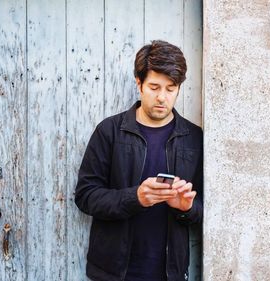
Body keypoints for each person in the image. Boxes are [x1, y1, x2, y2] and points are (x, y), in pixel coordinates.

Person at [75, 40, 203, 281]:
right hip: (113, 273)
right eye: (154, 87)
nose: (162, 97)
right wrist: (136, 198)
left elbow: (205, 210)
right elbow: (85, 196)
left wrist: (186, 208)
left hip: (170, 274)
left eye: (170, 88)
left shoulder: (194, 138)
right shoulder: (109, 131)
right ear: (139, 83)